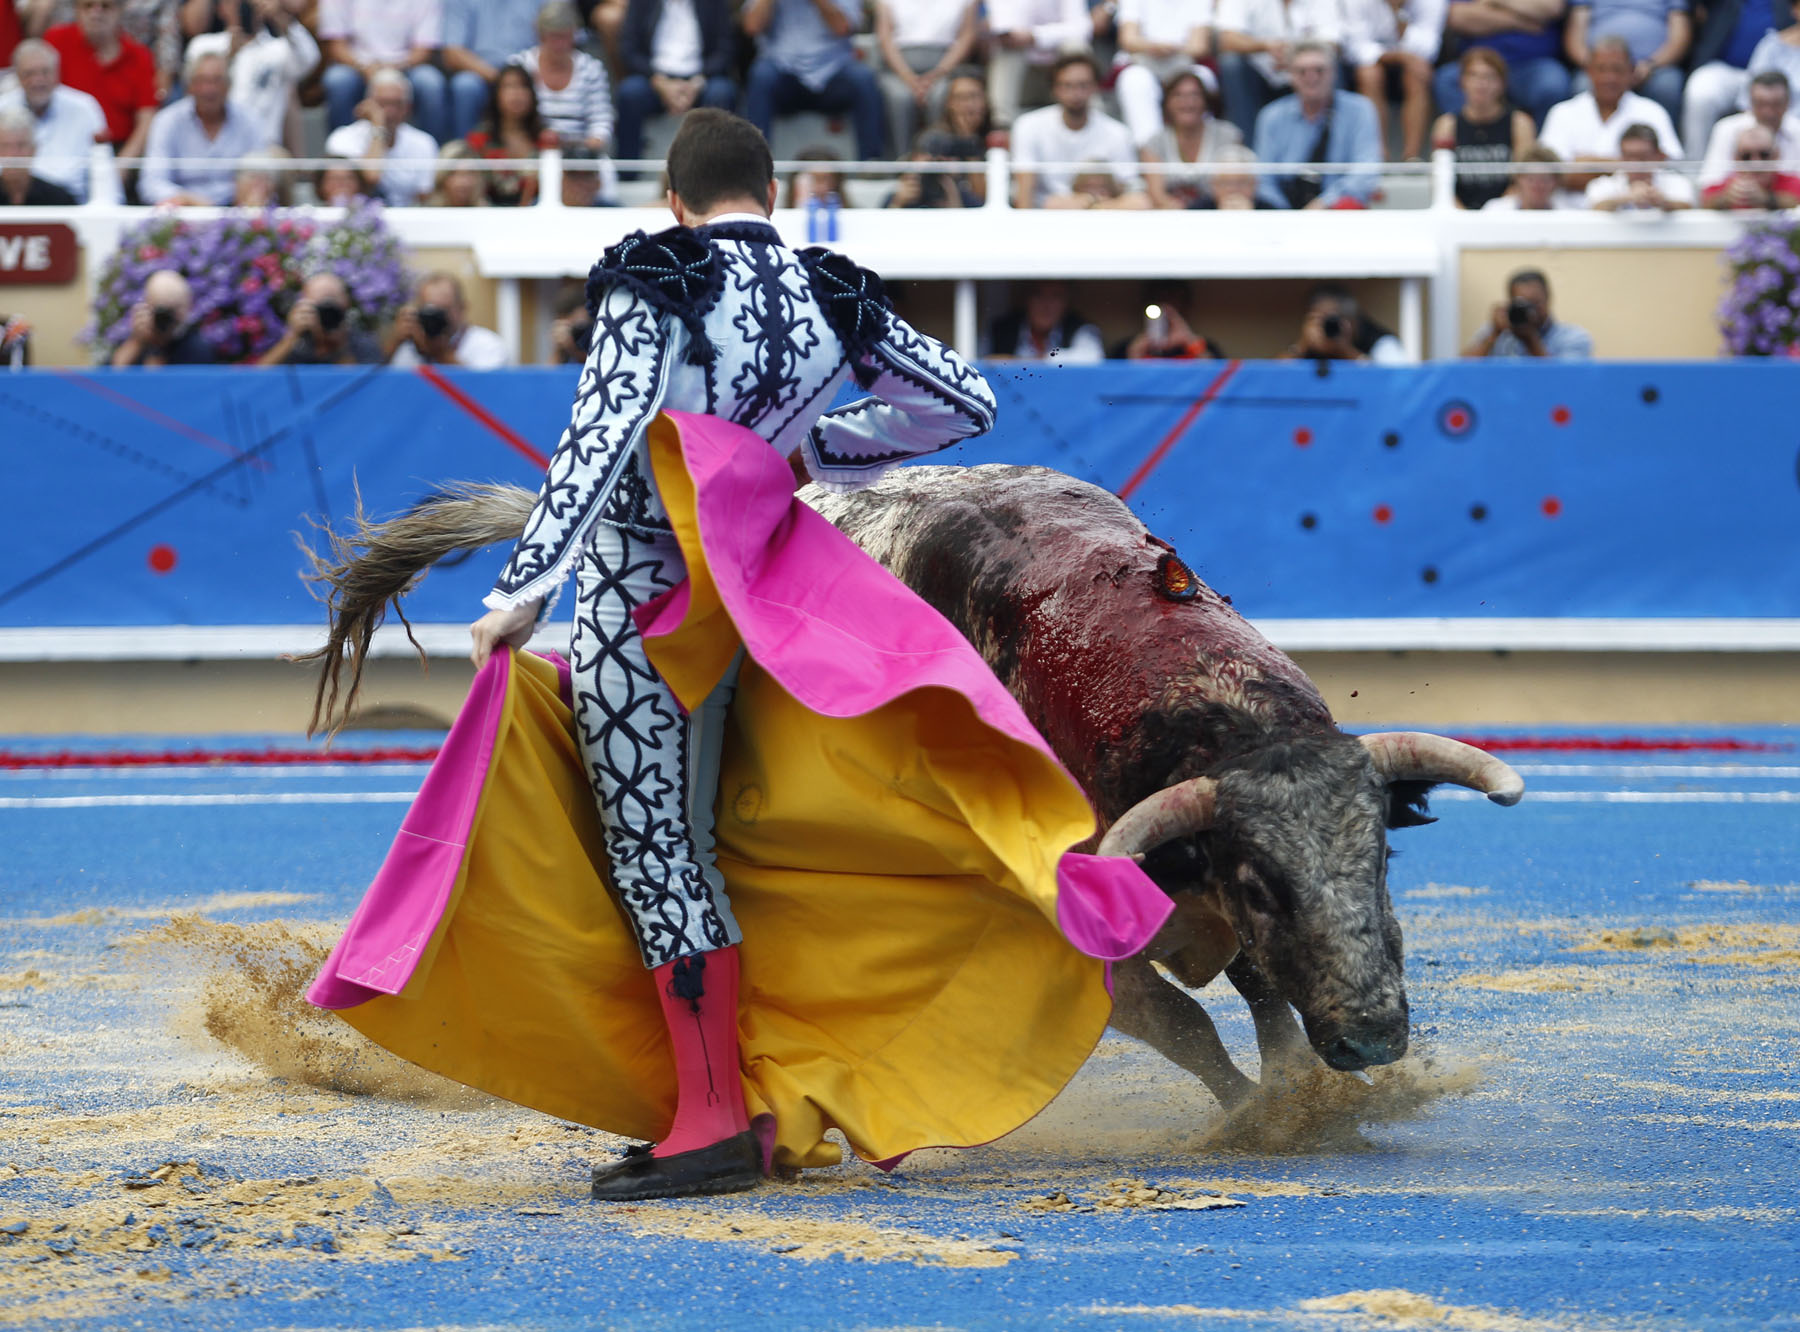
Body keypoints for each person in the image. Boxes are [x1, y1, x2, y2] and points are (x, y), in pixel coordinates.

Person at [460, 107, 997, 1199]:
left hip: (639, 588)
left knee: (658, 853)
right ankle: (732, 1101)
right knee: (700, 842)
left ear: (675, 199)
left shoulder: (662, 274)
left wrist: (525, 585)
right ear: (774, 192)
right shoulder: (823, 291)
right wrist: (815, 447)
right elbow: (962, 403)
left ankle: (710, 1122)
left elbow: (603, 433)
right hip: (746, 599)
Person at [742, 0, 885, 162]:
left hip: (832, 72)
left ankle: (871, 163)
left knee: (863, 78)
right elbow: (751, 26)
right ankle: (755, 165)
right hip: (784, 72)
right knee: (761, 75)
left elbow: (842, 27)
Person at [1252, 40, 1382, 208]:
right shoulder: (1271, 116)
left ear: (1334, 72)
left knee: (1348, 206)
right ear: (1290, 75)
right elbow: (1263, 179)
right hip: (1283, 215)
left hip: (1337, 213)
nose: (1311, 77)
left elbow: (1366, 171)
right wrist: (1284, 214)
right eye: (1302, 71)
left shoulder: (1360, 110)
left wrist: (1323, 204)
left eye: (1319, 70)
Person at [1011, 52, 1150, 209]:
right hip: (1049, 214)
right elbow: (1024, 194)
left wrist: (1094, 205)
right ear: (1054, 89)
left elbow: (1132, 189)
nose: (1075, 93)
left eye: (1083, 85)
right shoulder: (1028, 126)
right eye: (1067, 85)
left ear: (1095, 87)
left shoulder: (1118, 132)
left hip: (1104, 216)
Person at [1538, 34, 1682, 181]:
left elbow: (1669, 171)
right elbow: (1553, 174)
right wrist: (1631, 166)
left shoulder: (1652, 112)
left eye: (1617, 69)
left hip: (1637, 202)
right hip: (1570, 204)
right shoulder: (1562, 113)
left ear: (1631, 71)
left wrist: (1586, 164)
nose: (1609, 78)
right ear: (1589, 71)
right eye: (1602, 69)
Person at [612, 0, 739, 164]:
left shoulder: (714, 3)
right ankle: (627, 172)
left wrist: (697, 82)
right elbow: (629, 49)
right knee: (629, 92)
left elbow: (726, 50)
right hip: (655, 78)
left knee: (722, 92)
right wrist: (659, 82)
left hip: (702, 78)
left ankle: (719, 171)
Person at [181, 0, 318, 150]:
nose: (243, 7)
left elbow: (310, 58)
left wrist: (280, 17)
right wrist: (228, 56)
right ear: (221, 8)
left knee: (262, 164)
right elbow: (194, 90)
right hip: (212, 144)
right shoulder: (203, 46)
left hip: (263, 147)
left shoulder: (277, 50)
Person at [138, 48, 264, 204]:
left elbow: (263, 174)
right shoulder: (167, 120)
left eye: (217, 80)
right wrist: (187, 200)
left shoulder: (249, 120)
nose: (209, 89)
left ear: (229, 86)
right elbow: (151, 183)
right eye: (201, 81)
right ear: (189, 86)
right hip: (182, 216)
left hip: (237, 214)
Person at [44, 0, 156, 165]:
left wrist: (122, 165)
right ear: (77, 11)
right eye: (88, 6)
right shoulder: (56, 41)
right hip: (63, 147)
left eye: (106, 6)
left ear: (120, 11)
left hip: (118, 149)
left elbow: (146, 119)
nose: (96, 13)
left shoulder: (139, 56)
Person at [317, 0, 447, 142]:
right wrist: (363, 67)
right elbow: (336, 46)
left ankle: (433, 153)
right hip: (355, 66)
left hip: (406, 66)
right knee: (338, 81)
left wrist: (397, 66)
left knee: (430, 83)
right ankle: (340, 154)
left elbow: (423, 48)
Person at [1214, 0, 1344, 138]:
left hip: (1305, 70)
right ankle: (1249, 147)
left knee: (1329, 64)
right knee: (1231, 64)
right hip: (1260, 73)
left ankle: (1331, 142)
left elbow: (1333, 42)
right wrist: (1266, 46)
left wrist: (1297, 56)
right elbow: (1226, 38)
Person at [1680, 0, 1792, 158]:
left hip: (1775, 71)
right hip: (1726, 69)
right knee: (1701, 92)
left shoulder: (1788, 6)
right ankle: (1695, 167)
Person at [0, 38, 108, 201]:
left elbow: (103, 168)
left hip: (73, 210)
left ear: (57, 72)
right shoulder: (3, 106)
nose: (38, 80)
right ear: (17, 75)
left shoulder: (85, 108)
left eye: (45, 72)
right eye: (29, 73)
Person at [1433, 0, 1572, 124]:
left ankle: (1534, 148)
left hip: (1531, 65)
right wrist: (1522, 22)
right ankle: (1472, 144)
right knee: (1447, 80)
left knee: (1552, 83)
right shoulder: (1527, 23)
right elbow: (1458, 16)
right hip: (1479, 64)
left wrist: (1493, 3)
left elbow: (1552, 8)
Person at [1431, 46, 1538, 207]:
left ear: (1502, 84)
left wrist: (1495, 212)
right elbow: (1440, 181)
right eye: (1474, 76)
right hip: (1459, 214)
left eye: (1490, 77)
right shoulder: (1447, 125)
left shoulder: (1519, 123)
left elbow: (1522, 180)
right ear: (1462, 81)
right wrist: (1462, 215)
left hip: (1506, 211)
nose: (1481, 84)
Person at [323, 65, 439, 206]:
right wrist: (378, 127)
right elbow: (370, 179)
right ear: (368, 104)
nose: (390, 112)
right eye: (383, 103)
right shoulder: (342, 138)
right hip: (355, 220)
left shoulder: (424, 142)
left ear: (408, 108)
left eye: (397, 104)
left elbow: (425, 197)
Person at [873, 0, 977, 157]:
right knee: (900, 98)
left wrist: (937, 74)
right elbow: (885, 37)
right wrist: (908, 77)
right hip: (898, 69)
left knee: (942, 94)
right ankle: (902, 162)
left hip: (945, 68)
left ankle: (938, 160)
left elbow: (967, 36)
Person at [1562, 0, 1690, 127]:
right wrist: (1598, 67)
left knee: (1667, 86)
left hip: (1655, 66)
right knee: (1583, 84)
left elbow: (1680, 35)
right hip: (1598, 62)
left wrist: (1651, 64)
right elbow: (1575, 34)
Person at [1345, 0, 1446, 159]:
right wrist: (1398, 56)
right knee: (1369, 75)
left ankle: (1412, 156)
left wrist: (1398, 15)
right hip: (1374, 63)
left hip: (1412, 64)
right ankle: (1378, 155)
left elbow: (1429, 48)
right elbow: (1355, 48)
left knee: (1418, 73)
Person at [1112, 0, 1216, 147]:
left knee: (1203, 78)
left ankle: (1200, 150)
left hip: (1183, 65)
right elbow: (1128, 40)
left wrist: (1171, 49)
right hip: (1143, 63)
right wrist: (1152, 47)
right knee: (1134, 81)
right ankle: (1150, 152)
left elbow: (1200, 46)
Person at [514, 1, 613, 154]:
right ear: (540, 35)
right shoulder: (520, 66)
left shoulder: (591, 69)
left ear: (574, 35)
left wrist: (580, 148)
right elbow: (510, 121)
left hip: (580, 154)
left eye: (565, 37)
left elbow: (601, 121)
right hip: (529, 150)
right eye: (554, 37)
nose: (559, 44)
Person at [1140, 68, 1244, 208]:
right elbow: (1156, 195)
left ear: (1206, 101)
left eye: (1194, 95)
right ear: (1167, 103)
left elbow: (1237, 185)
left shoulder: (1228, 136)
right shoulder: (1154, 143)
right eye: (1178, 95)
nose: (1187, 102)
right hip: (1171, 218)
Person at [986, 0, 1095, 130]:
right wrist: (1022, 37)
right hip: (1024, 65)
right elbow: (1006, 30)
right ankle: (1003, 125)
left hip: (1059, 61)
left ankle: (1091, 113)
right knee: (1007, 52)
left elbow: (1081, 29)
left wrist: (1035, 36)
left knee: (1076, 47)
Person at [440, 0, 540, 141]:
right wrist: (501, 79)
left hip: (530, 71)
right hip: (480, 73)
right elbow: (453, 53)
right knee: (465, 86)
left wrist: (518, 79)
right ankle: (465, 152)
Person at [464, 63, 554, 205]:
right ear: (496, 94)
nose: (517, 94)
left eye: (523, 87)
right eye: (509, 87)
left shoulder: (546, 139)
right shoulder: (479, 140)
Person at [1699, 68, 1800, 190]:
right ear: (1750, 103)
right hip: (1735, 207)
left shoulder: (1797, 131)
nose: (1768, 112)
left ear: (1788, 103)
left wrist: (1768, 199)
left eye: (1775, 104)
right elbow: (1708, 186)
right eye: (1761, 104)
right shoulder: (1726, 129)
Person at [387, 270, 512, 368]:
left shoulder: (489, 346)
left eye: (443, 310)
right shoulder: (410, 349)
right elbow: (383, 390)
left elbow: (485, 390)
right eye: (429, 310)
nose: (435, 317)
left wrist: (442, 355)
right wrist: (395, 342)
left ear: (462, 308)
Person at [258, 271, 385, 365]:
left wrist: (340, 347)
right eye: (321, 305)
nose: (327, 312)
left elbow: (366, 386)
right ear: (305, 305)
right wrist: (292, 336)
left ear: (346, 303)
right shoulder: (298, 344)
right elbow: (258, 380)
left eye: (332, 301)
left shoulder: (361, 342)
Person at [1463, 267, 1594, 357]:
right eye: (1521, 303)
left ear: (1548, 298)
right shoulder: (1496, 332)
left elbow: (1564, 380)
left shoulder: (1573, 338)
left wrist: (1530, 339)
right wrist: (1493, 335)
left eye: (1534, 303)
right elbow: (1460, 372)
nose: (1529, 310)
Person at [110, 268, 215, 365]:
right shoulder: (138, 341)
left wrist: (160, 345)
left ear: (187, 307)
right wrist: (136, 341)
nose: (164, 317)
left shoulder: (196, 348)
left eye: (172, 309)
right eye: (159, 309)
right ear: (147, 305)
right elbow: (111, 377)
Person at [1581, 119, 1695, 208]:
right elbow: (1596, 206)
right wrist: (1626, 198)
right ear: (1620, 157)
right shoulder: (1603, 184)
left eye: (1643, 157)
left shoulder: (1678, 182)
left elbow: (1687, 205)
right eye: (1629, 157)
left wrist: (1663, 202)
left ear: (1659, 156)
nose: (1635, 164)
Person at [1282, 283, 1411, 362]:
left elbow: (1393, 382)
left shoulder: (1382, 343)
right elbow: (1272, 380)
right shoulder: (1312, 343)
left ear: (1352, 320)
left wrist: (1346, 351)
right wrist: (1301, 346)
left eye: (1333, 319)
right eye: (1321, 320)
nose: (1329, 326)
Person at [985, 278, 1106, 361]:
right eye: (1039, 295)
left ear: (1066, 302)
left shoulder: (1079, 328)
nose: (1046, 305)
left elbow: (1093, 358)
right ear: (1026, 299)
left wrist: (1036, 361)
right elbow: (979, 361)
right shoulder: (1002, 329)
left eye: (1056, 296)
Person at [1115, 280, 1227, 359]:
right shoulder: (1124, 348)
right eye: (1159, 300)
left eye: (1173, 302)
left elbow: (1218, 380)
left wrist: (1190, 342)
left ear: (1186, 307)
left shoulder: (1203, 347)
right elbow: (1118, 384)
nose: (1166, 311)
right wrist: (1136, 351)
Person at [1700, 120, 1800, 205]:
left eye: (1764, 155)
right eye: (1746, 156)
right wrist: (1725, 199)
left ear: (1776, 155)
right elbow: (1705, 202)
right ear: (1736, 158)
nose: (1755, 163)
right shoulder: (1728, 188)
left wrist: (1768, 199)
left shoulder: (1794, 183)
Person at [0, 104, 77, 203]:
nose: (13, 153)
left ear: (34, 149)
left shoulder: (59, 198)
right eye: (5, 145)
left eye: (21, 145)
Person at [883, 128, 979, 206]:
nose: (934, 171)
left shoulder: (957, 191)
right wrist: (897, 204)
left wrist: (956, 206)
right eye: (929, 162)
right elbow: (879, 226)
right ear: (914, 158)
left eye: (940, 163)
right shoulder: (904, 192)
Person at [1480, 140, 1582, 205]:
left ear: (1556, 181)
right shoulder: (1495, 212)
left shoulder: (1571, 214)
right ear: (1518, 179)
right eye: (1531, 179)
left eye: (1545, 179)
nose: (1538, 185)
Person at [422, 139, 488, 204]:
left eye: (470, 173)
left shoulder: (491, 212)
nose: (463, 183)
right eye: (454, 173)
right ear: (442, 176)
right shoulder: (424, 212)